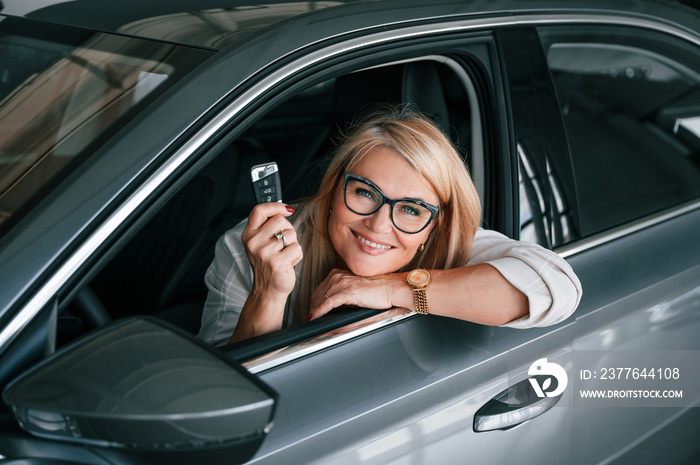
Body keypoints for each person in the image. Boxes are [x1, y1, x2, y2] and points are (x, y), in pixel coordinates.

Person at [198, 105, 582, 346]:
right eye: (365, 192)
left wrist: (390, 289)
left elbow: (558, 289)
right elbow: (225, 399)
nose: (379, 224)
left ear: (435, 223)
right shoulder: (254, 247)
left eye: (412, 210)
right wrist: (268, 291)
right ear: (334, 190)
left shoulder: (445, 243)